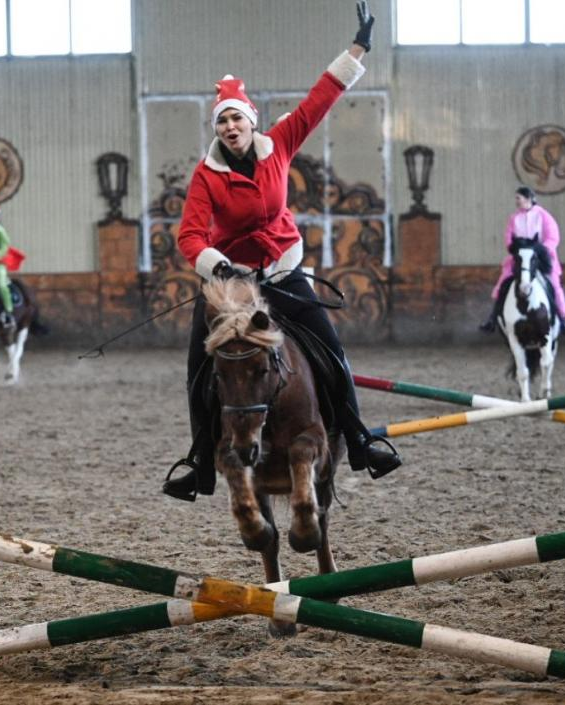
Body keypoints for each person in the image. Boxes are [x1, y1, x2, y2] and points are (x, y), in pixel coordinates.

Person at [162, 0, 401, 502]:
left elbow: (320, 98)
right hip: (232, 287)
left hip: (285, 271)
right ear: (218, 130)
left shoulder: (281, 143)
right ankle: (200, 463)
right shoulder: (206, 176)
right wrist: (216, 264)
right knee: (199, 368)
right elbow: (189, 236)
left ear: (252, 122)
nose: (230, 128)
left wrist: (357, 48)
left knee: (331, 352)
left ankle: (359, 441)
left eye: (237, 120)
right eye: (222, 122)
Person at [479, 186, 565, 335]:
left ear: (528, 199)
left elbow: (553, 237)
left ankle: (562, 320)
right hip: (520, 258)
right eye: (516, 198)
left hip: (540, 258)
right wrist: (515, 248)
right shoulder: (513, 218)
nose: (516, 201)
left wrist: (538, 250)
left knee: (553, 284)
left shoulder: (544, 216)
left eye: (519, 198)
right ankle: (493, 318)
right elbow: (508, 238)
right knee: (503, 283)